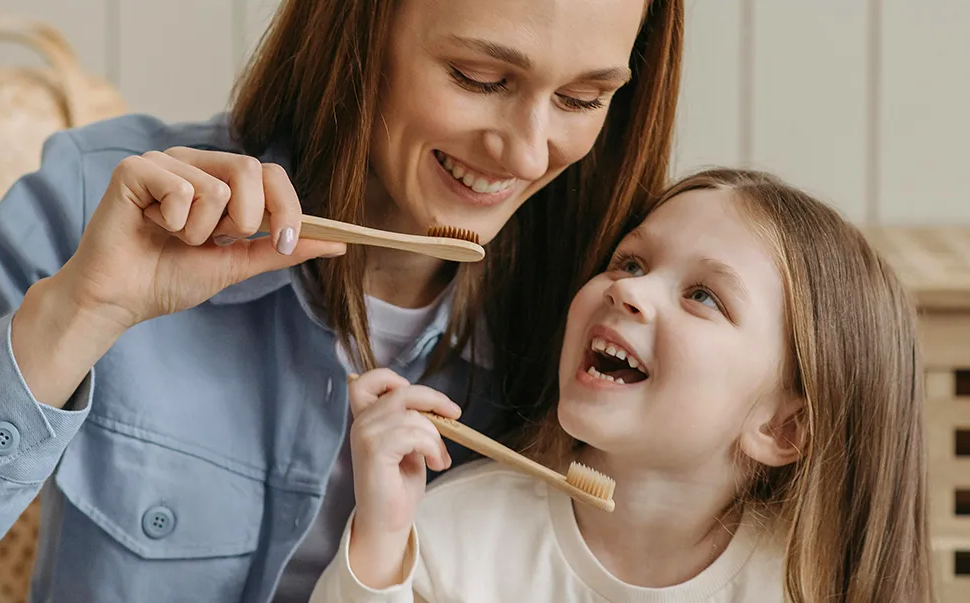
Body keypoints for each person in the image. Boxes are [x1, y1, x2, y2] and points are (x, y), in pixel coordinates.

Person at [0, 0, 684, 601]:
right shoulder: (100, 201)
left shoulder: (606, 323)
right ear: (361, 23)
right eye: (478, 77)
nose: (529, 154)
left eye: (581, 99)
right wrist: (82, 314)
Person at [316, 168, 933, 603]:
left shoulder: (801, 586)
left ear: (782, 427)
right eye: (632, 262)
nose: (628, 289)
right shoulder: (453, 534)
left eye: (702, 296)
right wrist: (380, 543)